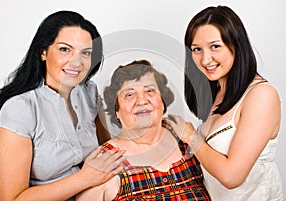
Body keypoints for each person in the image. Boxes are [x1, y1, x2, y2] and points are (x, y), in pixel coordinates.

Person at [0, 10, 126, 201]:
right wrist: (84, 178)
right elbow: (11, 199)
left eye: (86, 53)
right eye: (65, 49)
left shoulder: (89, 93)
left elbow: (106, 149)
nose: (76, 62)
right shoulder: (20, 109)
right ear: (43, 52)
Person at [167, 5, 284, 200]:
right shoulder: (217, 92)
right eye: (197, 49)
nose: (205, 59)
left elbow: (232, 176)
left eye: (215, 46)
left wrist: (191, 137)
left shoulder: (262, 95)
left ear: (236, 44)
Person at [76, 59, 211, 200]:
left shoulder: (187, 140)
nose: (141, 100)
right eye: (129, 94)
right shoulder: (104, 162)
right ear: (117, 111)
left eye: (150, 90)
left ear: (163, 102)